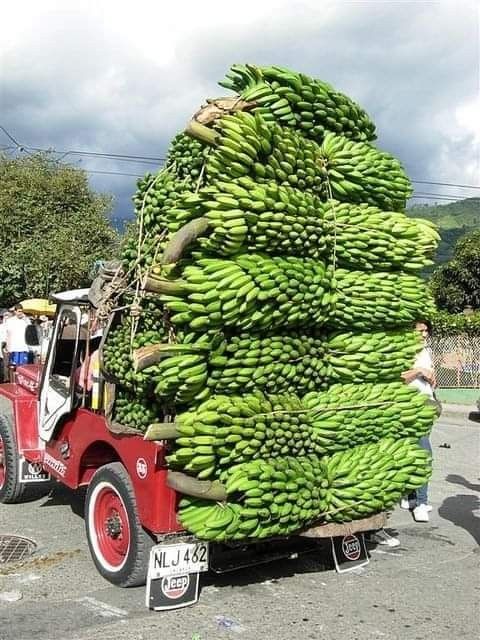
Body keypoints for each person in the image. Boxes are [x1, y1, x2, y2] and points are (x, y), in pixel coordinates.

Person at [400, 319, 436, 523]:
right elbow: (400, 377)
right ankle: (421, 503)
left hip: (427, 406)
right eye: (421, 331)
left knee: (416, 452)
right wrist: (420, 372)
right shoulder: (405, 351)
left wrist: (432, 378)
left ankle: (410, 497)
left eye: (426, 331)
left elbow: (430, 373)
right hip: (412, 408)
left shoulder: (425, 351)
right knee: (424, 454)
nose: (425, 334)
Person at [4, 304, 32, 368]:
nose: (20, 313)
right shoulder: (10, 321)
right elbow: (8, 334)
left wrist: (26, 319)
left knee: (23, 367)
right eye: (19, 311)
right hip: (14, 348)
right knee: (13, 367)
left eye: (21, 311)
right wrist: (7, 346)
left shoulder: (26, 320)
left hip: (24, 347)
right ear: (15, 311)